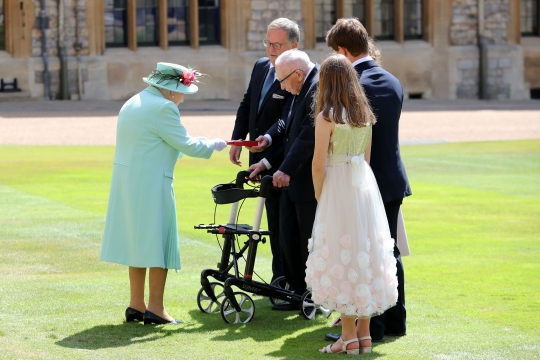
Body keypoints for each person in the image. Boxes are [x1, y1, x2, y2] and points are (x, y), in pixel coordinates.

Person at [100, 62, 227, 325]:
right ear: (170, 91)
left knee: (137, 242)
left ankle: (136, 303)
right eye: (182, 92)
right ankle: (155, 308)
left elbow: (158, 140)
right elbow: (185, 144)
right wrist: (212, 144)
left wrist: (200, 141)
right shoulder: (164, 107)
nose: (182, 98)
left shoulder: (134, 100)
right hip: (151, 183)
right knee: (158, 242)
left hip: (129, 181)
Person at [324, 18, 412, 343]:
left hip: (361, 180)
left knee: (364, 253)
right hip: (392, 178)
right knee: (389, 251)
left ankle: (370, 327)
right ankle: (395, 320)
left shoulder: (351, 83)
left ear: (343, 50)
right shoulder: (393, 80)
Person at [248, 50, 319, 310]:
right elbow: (286, 127)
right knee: (288, 235)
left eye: (284, 80)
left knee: (304, 240)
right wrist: (267, 161)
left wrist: (286, 169)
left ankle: (308, 293)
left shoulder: (316, 87)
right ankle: (295, 290)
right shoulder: (297, 85)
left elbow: (307, 135)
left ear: (298, 74)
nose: (280, 87)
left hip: (306, 178)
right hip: (290, 177)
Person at [229, 18, 299, 282]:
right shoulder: (260, 66)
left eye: (277, 45)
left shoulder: (296, 73)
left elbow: (288, 126)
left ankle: (285, 280)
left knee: (284, 223)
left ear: (294, 46)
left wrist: (269, 160)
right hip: (256, 155)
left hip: (283, 160)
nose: (271, 49)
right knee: (270, 218)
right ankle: (278, 277)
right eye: (268, 43)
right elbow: (248, 104)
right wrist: (238, 140)